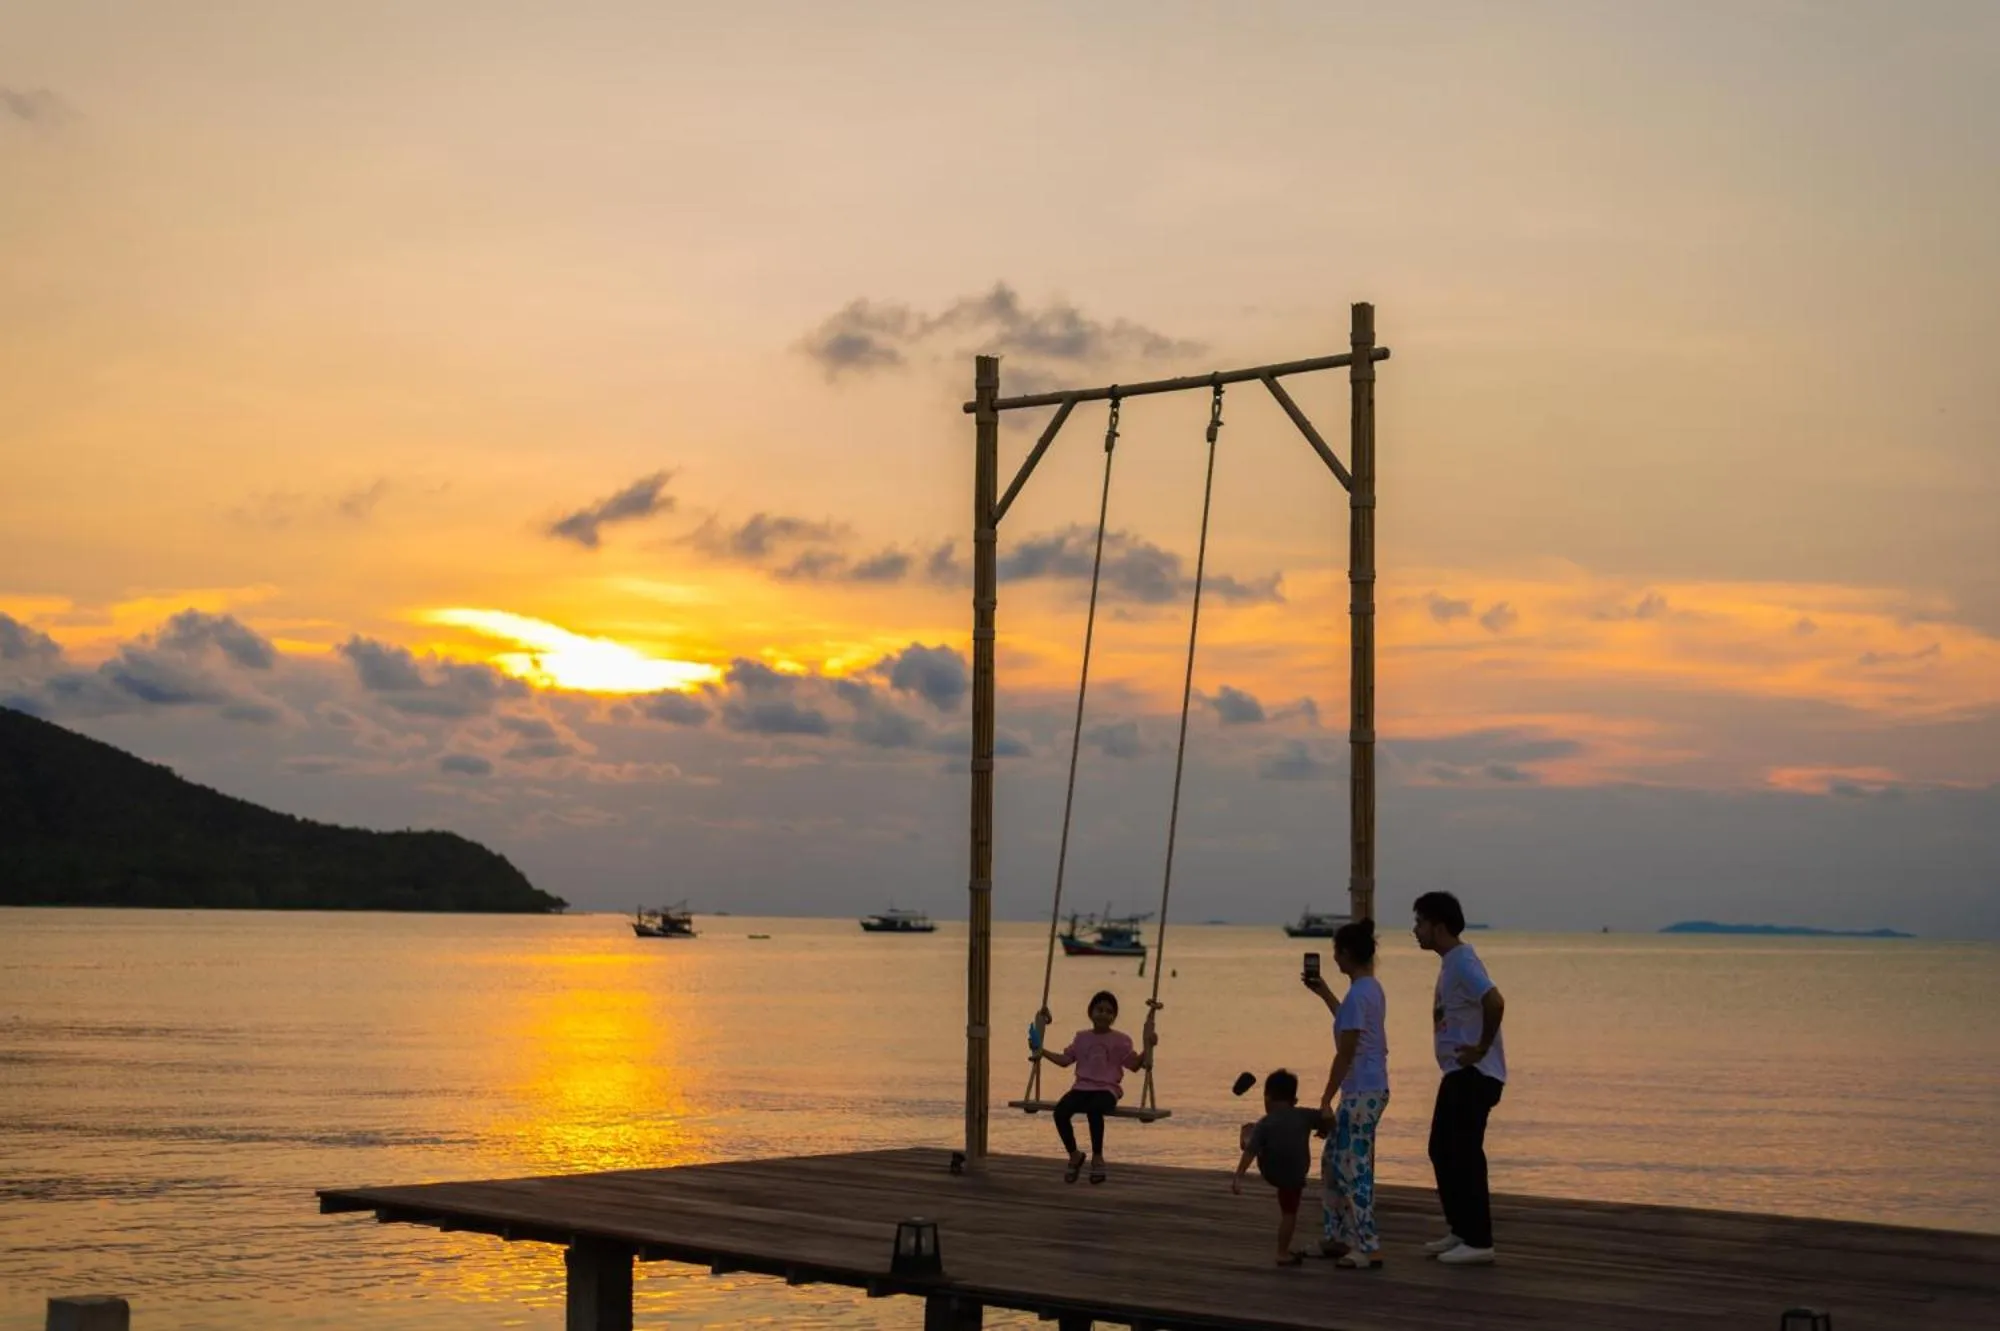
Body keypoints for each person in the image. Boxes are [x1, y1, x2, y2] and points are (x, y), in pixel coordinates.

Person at [1413, 890, 1507, 1266]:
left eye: (1420, 922)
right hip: (1458, 1072)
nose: (1415, 930)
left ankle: (1480, 1241)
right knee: (1441, 1150)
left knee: (1465, 1155)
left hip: (1473, 1074)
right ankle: (1461, 1230)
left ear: (1438, 926)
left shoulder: (1464, 963)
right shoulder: (1451, 963)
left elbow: (1495, 1002)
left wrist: (1482, 1047)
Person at [1303, 918, 1390, 1269]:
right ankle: (1337, 1237)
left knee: (1354, 1168)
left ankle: (1368, 1245)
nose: (1334, 958)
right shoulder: (1368, 989)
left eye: (1337, 952)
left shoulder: (1360, 993)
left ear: (1348, 953)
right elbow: (1347, 1023)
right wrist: (1324, 991)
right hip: (1364, 1090)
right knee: (1332, 1162)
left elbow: (1346, 1050)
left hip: (1362, 1091)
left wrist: (1325, 1099)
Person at [1031, 990, 1156, 1184]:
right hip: (1081, 1087)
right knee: (1061, 1111)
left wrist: (1148, 1047)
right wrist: (1041, 1051)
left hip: (1107, 1089)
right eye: (1100, 1009)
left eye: (1109, 1011)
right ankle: (1074, 1155)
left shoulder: (1121, 1040)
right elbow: (1065, 1060)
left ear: (1114, 1017)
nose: (1104, 1014)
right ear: (1090, 1012)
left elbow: (1134, 1065)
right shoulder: (1082, 1038)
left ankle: (1097, 1157)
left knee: (1094, 1109)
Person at [1231, 1068, 1328, 1266]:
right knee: (1289, 1214)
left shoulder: (1265, 1123)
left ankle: (1247, 1136)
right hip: (1296, 1175)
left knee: (1251, 1134)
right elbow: (1327, 1117)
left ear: (1268, 1098)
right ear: (1294, 1100)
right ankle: (1282, 1252)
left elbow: (1249, 1154)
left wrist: (1238, 1176)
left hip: (1272, 1170)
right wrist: (1324, 1131)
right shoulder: (1304, 1115)